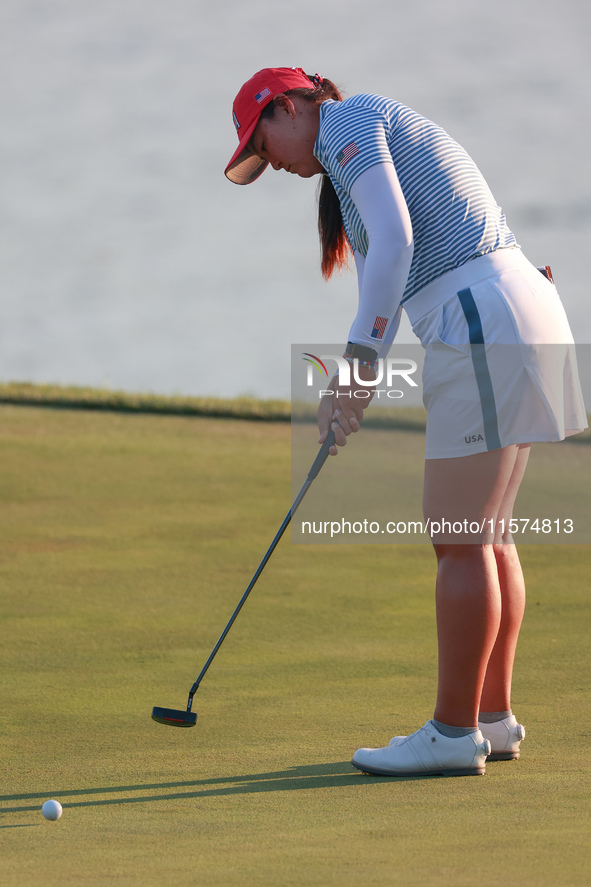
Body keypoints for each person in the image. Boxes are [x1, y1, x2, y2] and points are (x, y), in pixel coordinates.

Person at [224, 68, 587, 777]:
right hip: (510, 306)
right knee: (485, 532)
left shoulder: (350, 120)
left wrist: (357, 377)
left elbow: (397, 247)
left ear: (291, 106)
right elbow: (380, 284)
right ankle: (489, 717)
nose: (272, 163)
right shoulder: (346, 165)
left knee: (457, 538)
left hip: (484, 314)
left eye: (262, 142)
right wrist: (350, 388)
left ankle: (452, 733)